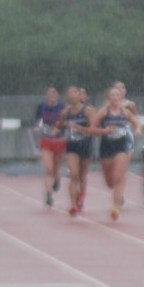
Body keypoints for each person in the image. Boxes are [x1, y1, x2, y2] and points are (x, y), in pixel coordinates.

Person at [93, 80, 141, 220]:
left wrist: (137, 130)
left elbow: (136, 122)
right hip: (107, 145)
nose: (115, 97)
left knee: (118, 175)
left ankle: (115, 206)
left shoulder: (125, 111)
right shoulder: (103, 112)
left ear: (121, 97)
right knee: (110, 182)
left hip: (122, 144)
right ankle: (116, 192)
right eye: (112, 95)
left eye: (117, 95)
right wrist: (104, 131)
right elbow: (92, 129)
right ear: (108, 98)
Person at [33, 84, 70, 206]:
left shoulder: (62, 107)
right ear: (46, 94)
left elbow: (66, 122)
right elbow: (38, 120)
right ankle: (48, 194)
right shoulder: (41, 107)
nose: (52, 95)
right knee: (48, 169)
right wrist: (36, 127)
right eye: (49, 92)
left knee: (55, 168)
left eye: (54, 92)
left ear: (57, 95)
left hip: (59, 141)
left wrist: (59, 128)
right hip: (46, 140)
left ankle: (57, 178)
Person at [63, 84, 95, 215]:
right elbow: (59, 125)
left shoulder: (87, 111)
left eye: (74, 92)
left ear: (79, 95)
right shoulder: (66, 112)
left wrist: (77, 127)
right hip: (71, 145)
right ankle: (73, 204)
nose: (72, 95)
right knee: (73, 174)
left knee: (82, 175)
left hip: (85, 144)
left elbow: (93, 129)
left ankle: (81, 195)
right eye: (69, 93)